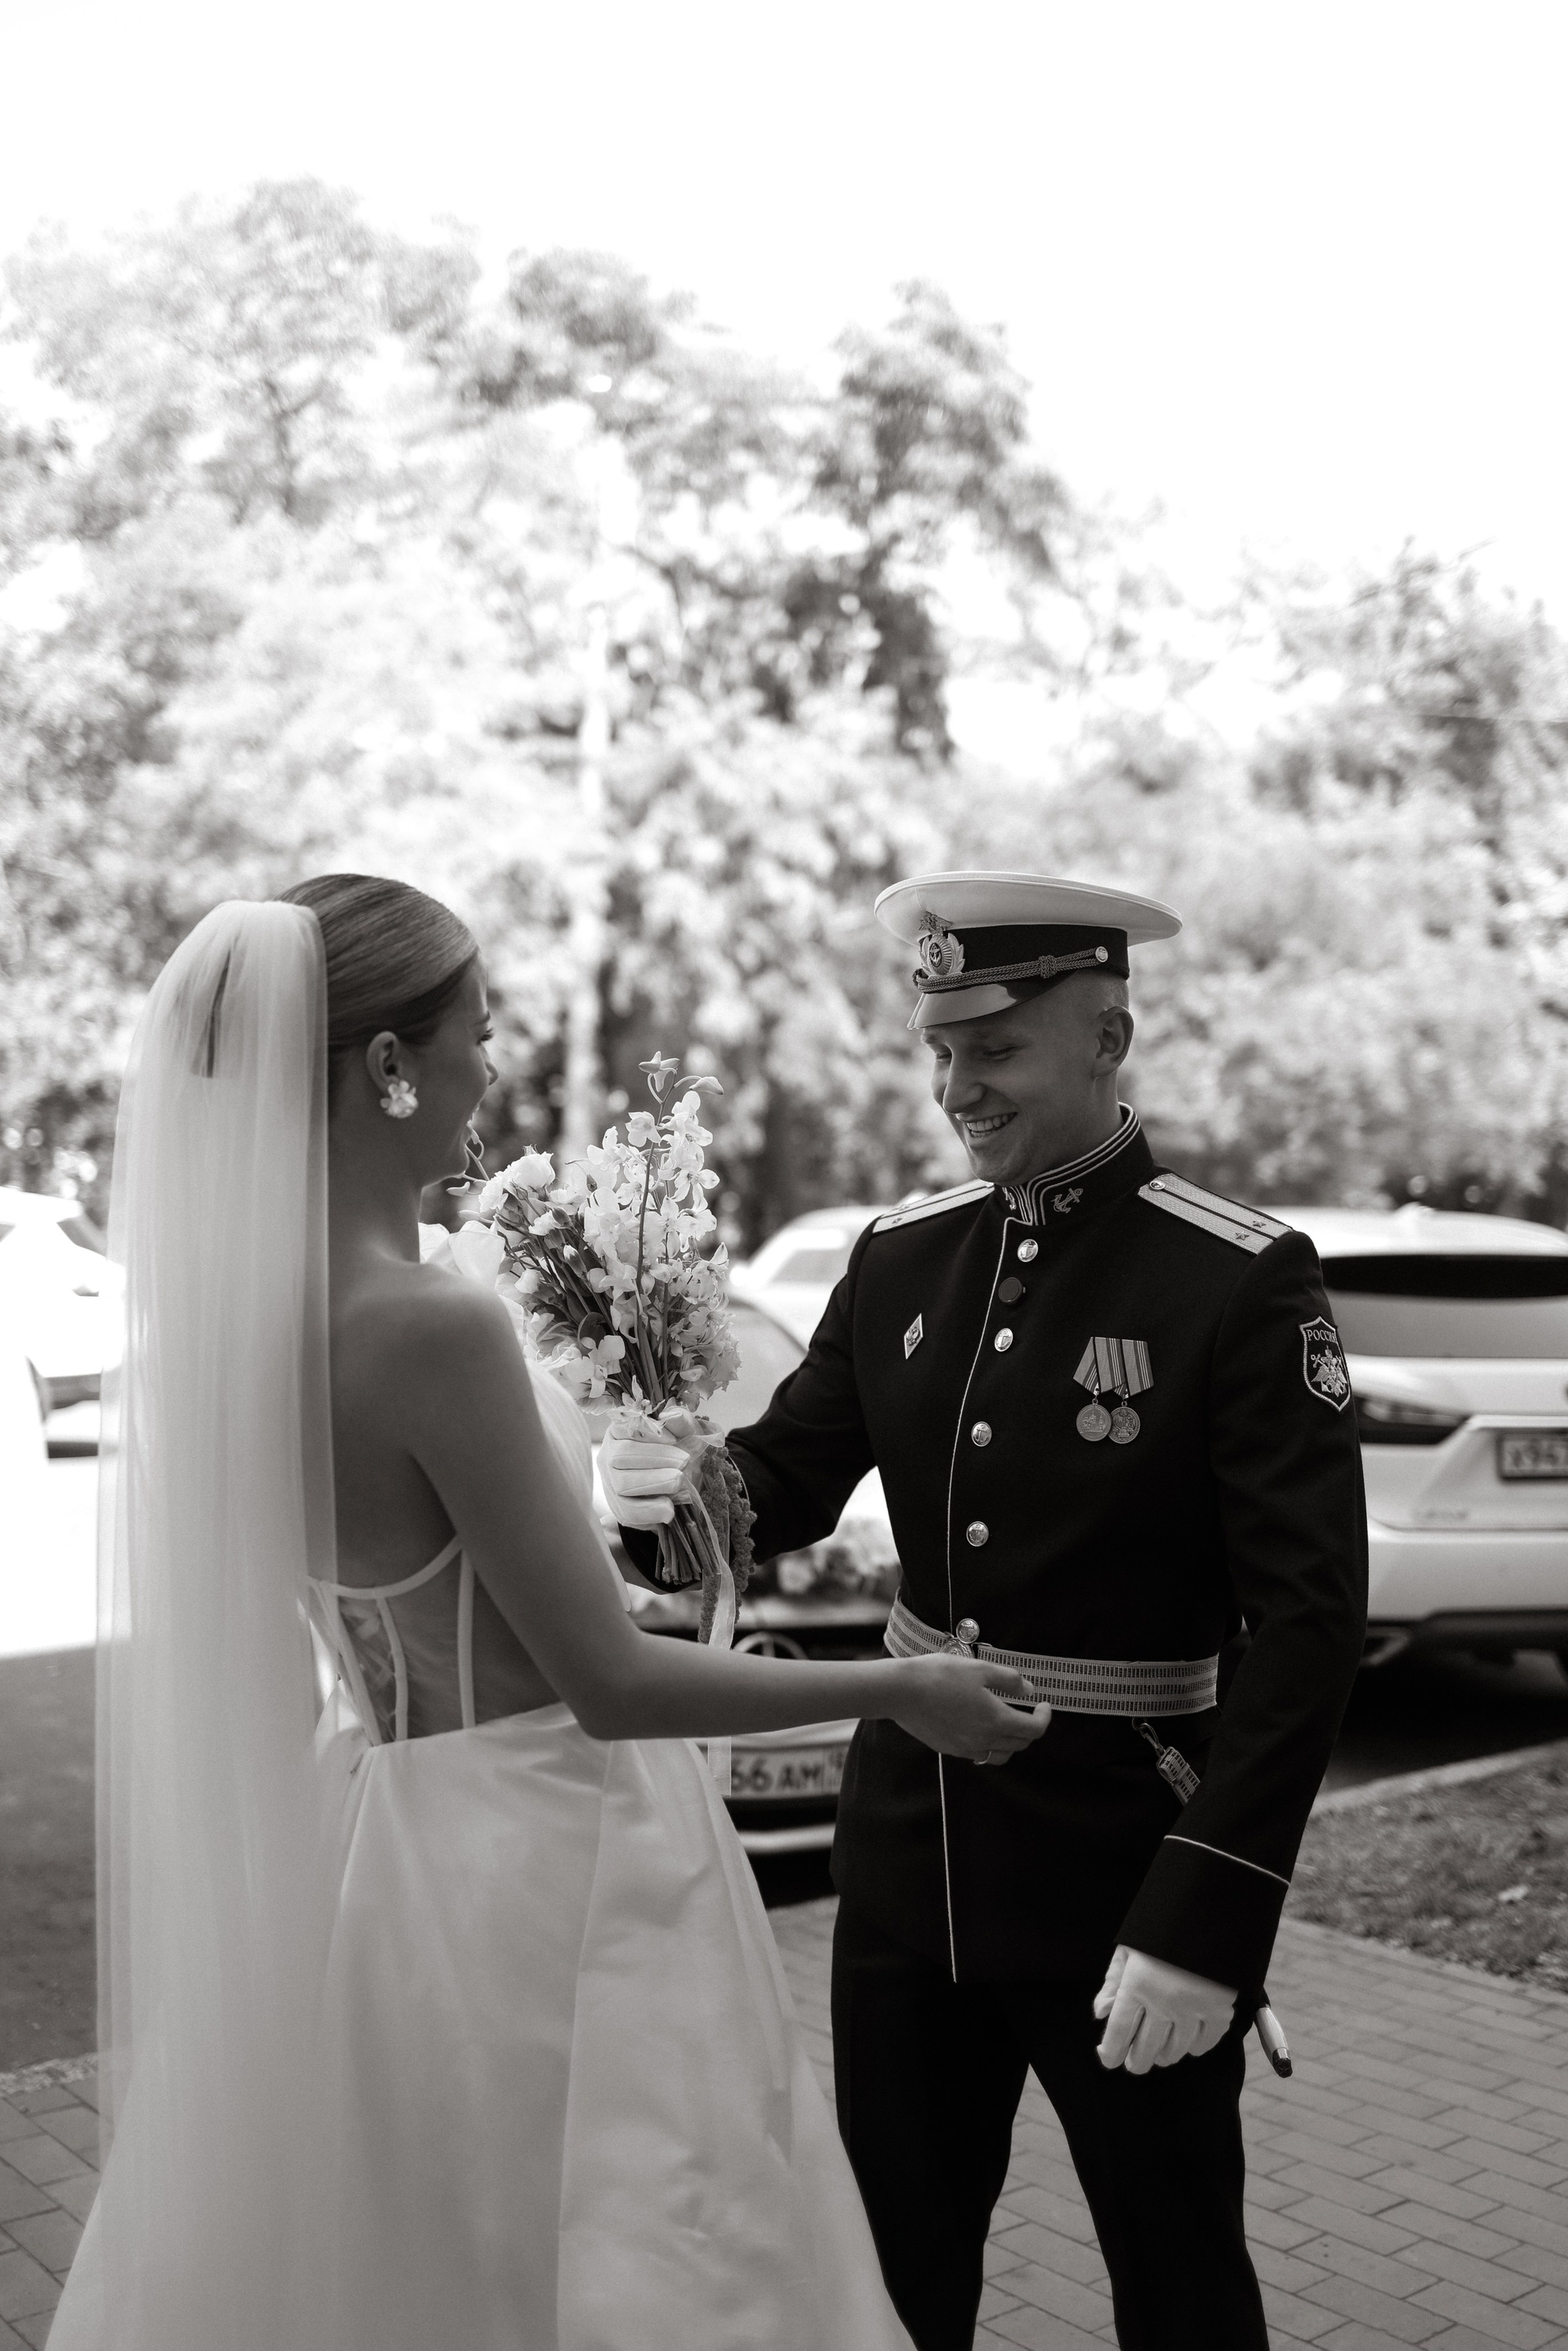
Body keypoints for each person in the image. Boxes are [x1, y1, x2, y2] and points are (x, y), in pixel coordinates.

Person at [48, 875, 1049, 2351]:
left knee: (434, 2251)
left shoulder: (242, 1327)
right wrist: (902, 1692)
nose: (493, 1065)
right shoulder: (426, 1323)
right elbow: (608, 1683)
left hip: (379, 1836)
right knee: (638, 2248)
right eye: (478, 1029)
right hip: (553, 1852)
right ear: (388, 1067)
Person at [604, 870, 1369, 2351]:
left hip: (1123, 1878)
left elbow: (1311, 1627)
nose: (959, 1087)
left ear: (1109, 1038)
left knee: (1180, 2285)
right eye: (942, 1050)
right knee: (892, 2280)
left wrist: (1210, 1914)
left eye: (998, 1049)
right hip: (910, 1870)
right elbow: (786, 1481)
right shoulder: (905, 1254)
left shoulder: (1236, 1279)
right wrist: (666, 1501)